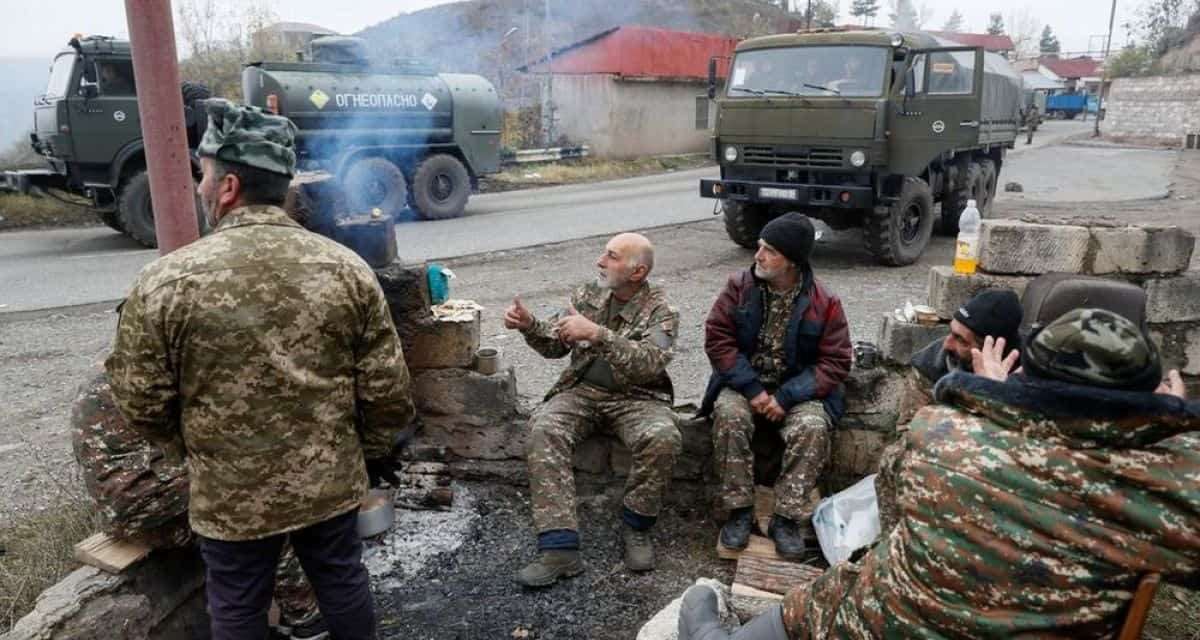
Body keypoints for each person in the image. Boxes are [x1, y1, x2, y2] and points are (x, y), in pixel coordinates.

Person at [679, 307, 1199, 640]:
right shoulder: (1168, 482)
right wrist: (1168, 429)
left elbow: (892, 499)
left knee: (824, 600)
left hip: (880, 622)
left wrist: (991, 401)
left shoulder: (944, 430)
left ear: (1026, 375)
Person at [105, 99, 415, 640]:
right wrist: (364, 454)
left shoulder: (165, 281)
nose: (201, 189)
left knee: (238, 603)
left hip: (229, 492)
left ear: (227, 188)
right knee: (342, 582)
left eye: (204, 176)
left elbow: (140, 403)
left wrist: (195, 451)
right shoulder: (347, 269)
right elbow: (388, 393)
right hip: (329, 482)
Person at [72, 371, 330, 640]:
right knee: (262, 516)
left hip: (121, 512)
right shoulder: (156, 377)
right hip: (150, 509)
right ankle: (306, 618)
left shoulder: (111, 373)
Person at [504, 232, 681, 587]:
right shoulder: (589, 294)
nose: (600, 261)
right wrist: (529, 326)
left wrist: (599, 334)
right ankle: (559, 549)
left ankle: (637, 527)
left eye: (612, 256)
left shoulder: (662, 310)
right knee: (544, 429)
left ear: (637, 272)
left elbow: (649, 363)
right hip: (583, 390)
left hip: (638, 398)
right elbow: (555, 343)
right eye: (605, 253)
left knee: (663, 437)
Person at [701, 213, 852, 559]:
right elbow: (718, 341)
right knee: (728, 415)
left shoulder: (825, 302)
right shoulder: (739, 288)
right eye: (759, 247)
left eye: (770, 250)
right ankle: (739, 511)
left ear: (792, 261)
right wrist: (753, 390)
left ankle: (785, 517)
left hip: (798, 392)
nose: (759, 256)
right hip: (745, 385)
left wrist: (786, 397)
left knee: (813, 428)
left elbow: (836, 361)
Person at [876, 288, 1022, 533]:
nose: (947, 343)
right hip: (944, 452)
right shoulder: (932, 364)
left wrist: (995, 394)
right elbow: (909, 433)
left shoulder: (1024, 369)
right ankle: (895, 539)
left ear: (992, 348)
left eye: (961, 340)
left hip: (1001, 461)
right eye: (951, 332)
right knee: (896, 458)